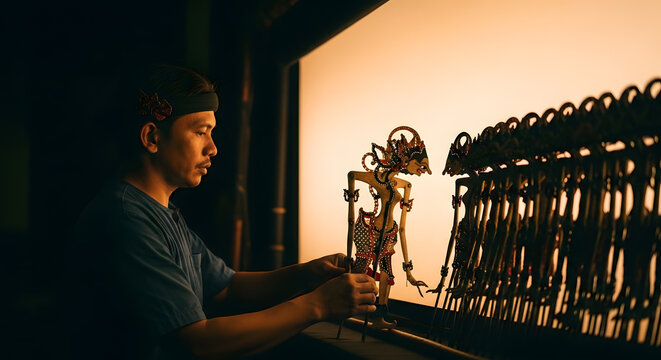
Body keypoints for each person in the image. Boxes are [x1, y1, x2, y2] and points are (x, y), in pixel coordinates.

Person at [72, 64, 377, 359]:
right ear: (152, 137)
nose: (213, 148)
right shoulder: (125, 219)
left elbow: (226, 288)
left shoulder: (163, 212)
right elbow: (198, 342)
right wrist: (318, 306)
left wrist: (308, 275)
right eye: (200, 132)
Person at [345, 126, 430, 329]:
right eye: (419, 165)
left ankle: (378, 317)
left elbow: (402, 229)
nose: (421, 171)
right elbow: (353, 175)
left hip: (391, 233)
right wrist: (348, 253)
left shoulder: (404, 185)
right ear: (404, 160)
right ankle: (352, 310)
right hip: (370, 230)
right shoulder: (377, 179)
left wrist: (409, 269)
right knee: (363, 272)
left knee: (386, 275)